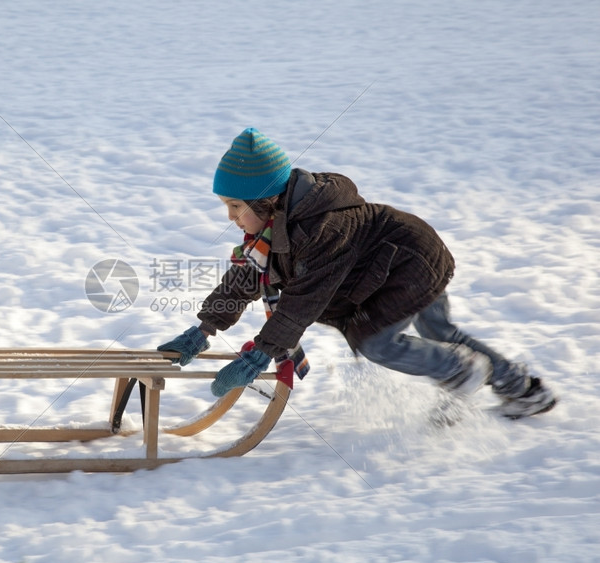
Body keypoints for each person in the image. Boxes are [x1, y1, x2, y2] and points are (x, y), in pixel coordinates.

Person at [157, 127, 557, 419]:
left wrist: (261, 354)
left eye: (234, 206)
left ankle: (459, 371)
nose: (230, 217)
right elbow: (246, 277)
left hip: (407, 263)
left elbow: (302, 303)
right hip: (397, 257)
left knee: (375, 340)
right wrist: (204, 329)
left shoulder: (319, 230)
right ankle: (521, 389)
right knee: (440, 334)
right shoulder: (268, 230)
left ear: (265, 200)